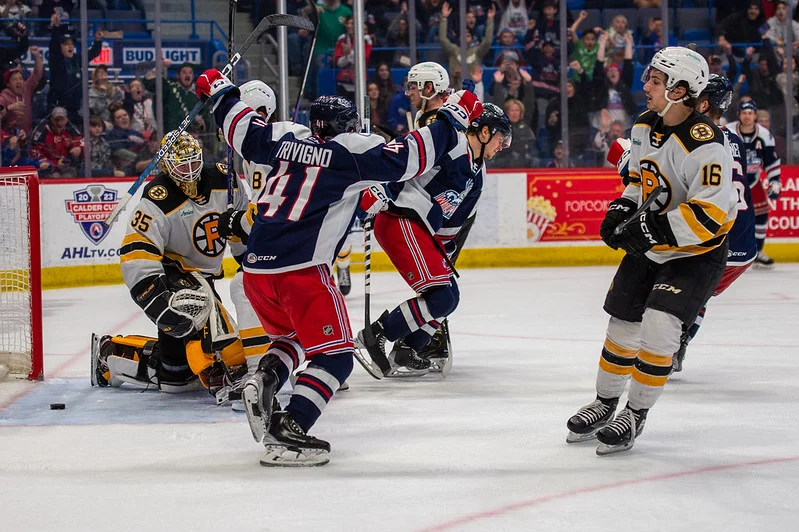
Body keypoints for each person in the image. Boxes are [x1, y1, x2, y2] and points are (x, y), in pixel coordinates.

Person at [200, 67, 482, 466]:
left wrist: (221, 91)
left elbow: (241, 130)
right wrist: (454, 116)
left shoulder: (285, 137)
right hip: (301, 269)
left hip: (256, 272)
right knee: (336, 356)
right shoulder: (350, 151)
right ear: (345, 127)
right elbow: (413, 158)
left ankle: (264, 378)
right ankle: (290, 428)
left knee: (293, 339)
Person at [566, 47, 736, 455]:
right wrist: (623, 208)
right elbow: (642, 183)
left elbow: (712, 211)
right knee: (622, 324)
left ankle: (635, 413)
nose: (645, 87)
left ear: (680, 90)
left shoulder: (707, 142)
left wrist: (652, 226)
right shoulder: (644, 126)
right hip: (656, 244)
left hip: (697, 252)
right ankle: (606, 403)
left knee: (660, 326)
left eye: (655, 81)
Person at [90, 130, 251, 399]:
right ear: (166, 165)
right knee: (213, 326)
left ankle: (111, 353)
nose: (189, 171)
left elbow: (241, 227)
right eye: (181, 165)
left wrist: (251, 262)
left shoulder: (226, 180)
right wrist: (154, 298)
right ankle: (223, 369)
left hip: (205, 278)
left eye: (193, 162)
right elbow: (137, 251)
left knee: (175, 378)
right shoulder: (156, 198)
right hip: (172, 276)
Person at [726, 99, 781, 268]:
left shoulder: (764, 135)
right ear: (739, 115)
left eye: (750, 113)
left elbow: (771, 161)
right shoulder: (728, 132)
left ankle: (759, 251)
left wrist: (774, 181)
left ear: (755, 115)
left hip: (754, 180)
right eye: (744, 113)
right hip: (732, 181)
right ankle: (727, 250)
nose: (747, 116)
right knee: (729, 215)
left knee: (762, 213)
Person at [47, 13, 103, 123]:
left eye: (72, 44)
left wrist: (97, 41)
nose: (70, 46)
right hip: (59, 107)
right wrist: (56, 28)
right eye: (66, 44)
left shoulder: (77, 59)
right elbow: (54, 47)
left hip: (75, 108)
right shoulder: (56, 61)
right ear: (61, 47)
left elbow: (92, 53)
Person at [29, 106, 82, 177]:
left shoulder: (71, 130)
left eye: (62, 119)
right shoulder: (42, 132)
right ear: (51, 119)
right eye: (56, 119)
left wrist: (78, 148)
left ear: (66, 120)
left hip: (67, 166)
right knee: (55, 176)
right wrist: (54, 164)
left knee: (69, 175)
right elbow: (34, 152)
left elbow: (81, 141)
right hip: (49, 167)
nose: (59, 123)